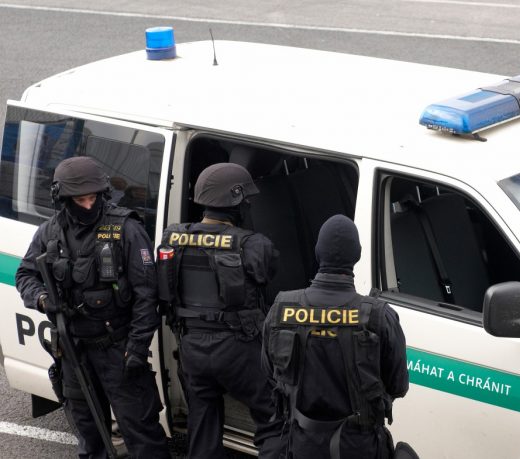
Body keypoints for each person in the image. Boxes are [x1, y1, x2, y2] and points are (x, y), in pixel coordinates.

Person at [15, 156, 170, 458]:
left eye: (93, 198)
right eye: (80, 200)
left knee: (142, 433)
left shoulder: (126, 228)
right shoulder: (50, 232)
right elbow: (25, 275)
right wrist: (43, 298)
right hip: (73, 350)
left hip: (118, 349)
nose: (88, 205)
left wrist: (137, 348)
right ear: (63, 198)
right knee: (89, 434)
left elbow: (146, 294)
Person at [159, 162, 283, 459]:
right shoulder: (253, 244)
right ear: (235, 201)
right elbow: (268, 274)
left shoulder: (173, 237)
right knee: (274, 417)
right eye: (245, 199)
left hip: (192, 348)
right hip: (239, 349)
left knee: (202, 425)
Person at [262, 214, 410, 459]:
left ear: (318, 254)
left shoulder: (282, 309)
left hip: (301, 446)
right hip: (360, 447)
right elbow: (398, 386)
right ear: (357, 255)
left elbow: (270, 372)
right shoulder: (379, 316)